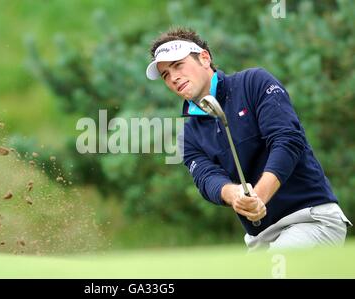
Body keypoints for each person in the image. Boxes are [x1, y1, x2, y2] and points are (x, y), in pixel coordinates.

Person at [145, 27, 352, 251]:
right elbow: (207, 179)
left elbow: (287, 140)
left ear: (204, 58)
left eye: (178, 65)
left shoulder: (254, 83)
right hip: (259, 238)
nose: (174, 77)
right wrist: (236, 195)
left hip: (310, 219)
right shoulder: (189, 135)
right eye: (166, 75)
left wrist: (259, 196)